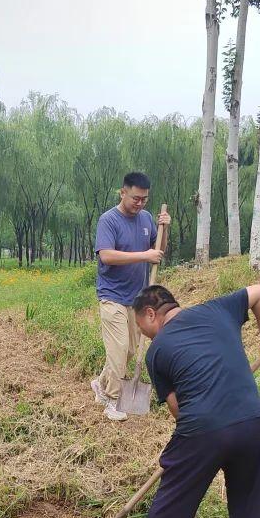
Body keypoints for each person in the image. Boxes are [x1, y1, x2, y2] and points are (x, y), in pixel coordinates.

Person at [117, 283, 260, 518]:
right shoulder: (218, 309)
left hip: (205, 427)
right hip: (253, 420)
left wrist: (186, 454)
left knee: (176, 494)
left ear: (151, 313)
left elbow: (179, 411)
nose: (146, 336)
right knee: (249, 502)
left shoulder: (158, 351)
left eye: (142, 328)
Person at [90, 171, 171, 421]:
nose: (140, 204)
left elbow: (159, 250)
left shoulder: (146, 218)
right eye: (136, 198)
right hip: (112, 295)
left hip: (136, 299)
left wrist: (164, 229)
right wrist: (144, 255)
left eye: (144, 199)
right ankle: (113, 400)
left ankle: (101, 384)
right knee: (119, 348)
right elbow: (107, 255)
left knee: (129, 350)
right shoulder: (109, 220)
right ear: (123, 192)